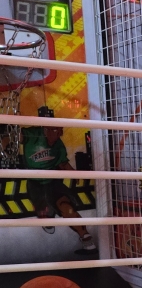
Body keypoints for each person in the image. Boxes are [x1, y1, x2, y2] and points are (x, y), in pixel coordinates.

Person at [22, 105, 96, 252]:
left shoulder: (59, 145)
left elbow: (63, 163)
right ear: (45, 129)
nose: (57, 134)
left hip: (53, 181)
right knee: (46, 218)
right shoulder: (31, 134)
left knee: (65, 205)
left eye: (59, 130)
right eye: (54, 130)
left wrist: (74, 174)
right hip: (36, 183)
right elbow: (12, 136)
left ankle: (87, 241)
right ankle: (47, 217)